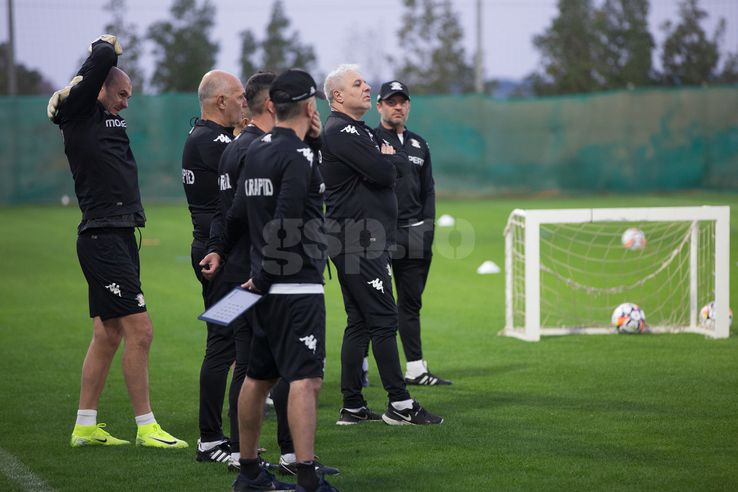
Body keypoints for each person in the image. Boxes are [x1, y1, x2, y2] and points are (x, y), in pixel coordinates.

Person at [47, 34, 187, 448]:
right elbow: (104, 55)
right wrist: (104, 44)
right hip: (102, 236)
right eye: (121, 93)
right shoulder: (79, 112)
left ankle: (85, 427)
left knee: (108, 334)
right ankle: (147, 427)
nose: (126, 101)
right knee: (140, 331)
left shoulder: (103, 116)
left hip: (119, 235)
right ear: (100, 88)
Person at [202, 71, 338, 477]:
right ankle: (307, 475)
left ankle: (249, 472)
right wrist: (264, 278)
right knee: (306, 379)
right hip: (293, 285)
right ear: (311, 105)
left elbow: (237, 212)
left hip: (261, 284)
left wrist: (219, 249)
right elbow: (287, 220)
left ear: (273, 106)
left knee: (258, 377)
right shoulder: (295, 156)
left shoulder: (257, 150)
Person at [320, 64, 443, 426]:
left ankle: (353, 406)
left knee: (359, 322)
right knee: (385, 318)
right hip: (358, 241)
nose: (367, 87)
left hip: (361, 239)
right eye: (358, 83)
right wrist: (386, 161)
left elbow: (397, 164)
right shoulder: (340, 130)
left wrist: (388, 160)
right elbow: (387, 172)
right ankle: (400, 404)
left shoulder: (357, 130)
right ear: (338, 95)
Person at [182, 70, 247, 463]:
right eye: (240, 96)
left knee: (235, 342)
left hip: (216, 252)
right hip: (216, 256)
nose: (244, 103)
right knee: (223, 342)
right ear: (221, 101)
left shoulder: (206, 138)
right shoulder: (213, 142)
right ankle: (210, 438)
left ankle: (231, 430)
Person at [374, 80, 451, 386]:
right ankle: (363, 367)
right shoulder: (369, 139)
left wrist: (428, 227)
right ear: (379, 106)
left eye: (402, 102)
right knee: (375, 304)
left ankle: (416, 369)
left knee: (411, 302)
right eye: (391, 102)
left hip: (417, 235)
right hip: (380, 235)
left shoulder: (420, 144)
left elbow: (428, 189)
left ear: (408, 106)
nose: (398, 107)